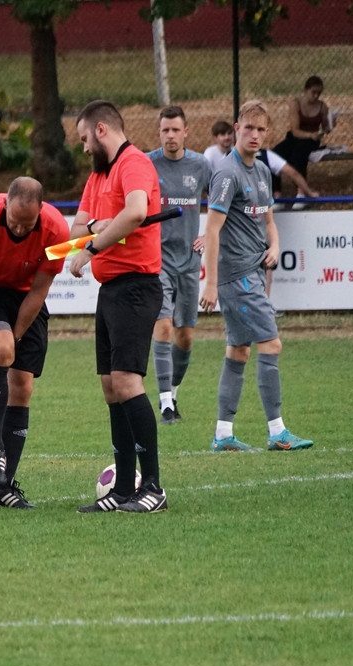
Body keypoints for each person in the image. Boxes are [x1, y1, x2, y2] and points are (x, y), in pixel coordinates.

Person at [198, 100, 314, 453]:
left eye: (261, 130)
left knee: (238, 351)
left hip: (253, 273)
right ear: (236, 129)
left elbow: (269, 222)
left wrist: (274, 246)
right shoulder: (227, 173)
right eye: (249, 128)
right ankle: (277, 431)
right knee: (271, 344)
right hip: (237, 278)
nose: (255, 135)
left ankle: (223, 435)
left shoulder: (262, 171)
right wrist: (211, 283)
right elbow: (212, 230)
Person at [68, 100, 167, 514]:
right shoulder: (98, 176)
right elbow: (76, 227)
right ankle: (124, 489)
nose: (84, 148)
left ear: (101, 130)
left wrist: (92, 247)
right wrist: (96, 227)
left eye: (85, 139)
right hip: (109, 290)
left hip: (136, 288)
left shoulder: (134, 164)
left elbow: (137, 211)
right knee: (111, 387)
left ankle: (154, 488)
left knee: (127, 382)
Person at [0, 176, 70, 508]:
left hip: (26, 297)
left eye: (28, 224)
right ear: (5, 205)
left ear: (41, 211)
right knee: (2, 349)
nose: (19, 230)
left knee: (22, 385)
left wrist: (18, 334)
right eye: (14, 222)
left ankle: (3, 489)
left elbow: (39, 290)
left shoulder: (57, 230)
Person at [146, 105, 212, 425]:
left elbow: (224, 202)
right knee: (163, 326)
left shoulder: (200, 165)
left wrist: (209, 234)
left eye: (175, 130)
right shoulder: (147, 164)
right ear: (159, 133)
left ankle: (172, 393)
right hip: (157, 260)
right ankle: (164, 405)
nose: (170, 135)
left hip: (188, 262)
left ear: (186, 132)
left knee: (185, 337)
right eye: (165, 130)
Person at [272, 75, 335, 199]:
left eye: (319, 93)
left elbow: (325, 129)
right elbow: (295, 131)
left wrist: (330, 124)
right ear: (306, 90)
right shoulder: (296, 104)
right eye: (313, 92)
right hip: (296, 137)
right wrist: (310, 134)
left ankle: (301, 192)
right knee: (274, 155)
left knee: (299, 154)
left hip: (311, 141)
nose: (316, 96)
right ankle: (277, 193)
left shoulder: (322, 106)